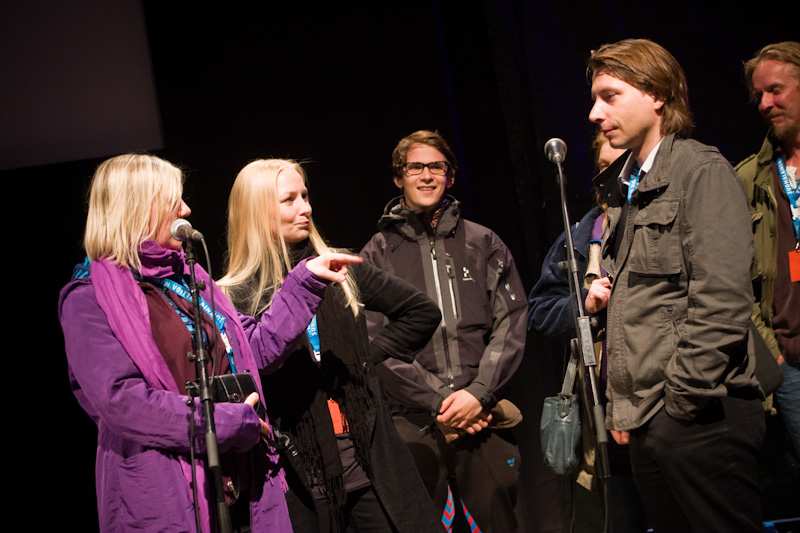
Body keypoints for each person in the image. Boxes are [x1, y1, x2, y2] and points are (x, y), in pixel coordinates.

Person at [58, 153, 360, 532]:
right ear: (136, 208)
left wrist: (304, 283)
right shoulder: (88, 297)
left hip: (241, 480)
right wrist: (228, 422)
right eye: (174, 201)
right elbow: (123, 401)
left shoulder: (189, 276)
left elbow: (254, 349)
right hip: (165, 492)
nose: (186, 209)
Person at [583, 39, 765, 532]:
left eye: (610, 96)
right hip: (654, 420)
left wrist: (679, 403)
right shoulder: (627, 186)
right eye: (595, 99)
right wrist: (632, 411)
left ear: (657, 94)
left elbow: (722, 300)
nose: (596, 113)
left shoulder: (700, 171)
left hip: (700, 414)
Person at [217, 158, 444, 533]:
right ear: (257, 212)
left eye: (305, 196)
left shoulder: (337, 266)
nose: (305, 208)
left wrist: (363, 359)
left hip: (369, 464)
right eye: (289, 200)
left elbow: (421, 312)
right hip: (300, 476)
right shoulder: (233, 295)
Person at [360, 130, 527, 532]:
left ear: (450, 176)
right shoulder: (376, 254)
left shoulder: (484, 242)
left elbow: (512, 321)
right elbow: (373, 343)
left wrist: (477, 394)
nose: (427, 175)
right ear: (398, 178)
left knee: (498, 518)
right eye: (415, 167)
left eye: (437, 166)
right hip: (412, 419)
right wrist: (439, 401)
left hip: (480, 414)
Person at [528, 130, 648, 533]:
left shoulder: (664, 223)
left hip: (666, 406)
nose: (615, 178)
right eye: (605, 168)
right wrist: (586, 303)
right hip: (605, 416)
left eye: (625, 166)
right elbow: (540, 313)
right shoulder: (580, 236)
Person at [736, 41, 800, 454]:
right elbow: (733, 279)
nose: (764, 103)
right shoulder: (748, 179)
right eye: (759, 95)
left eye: (775, 90)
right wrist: (772, 356)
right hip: (791, 363)